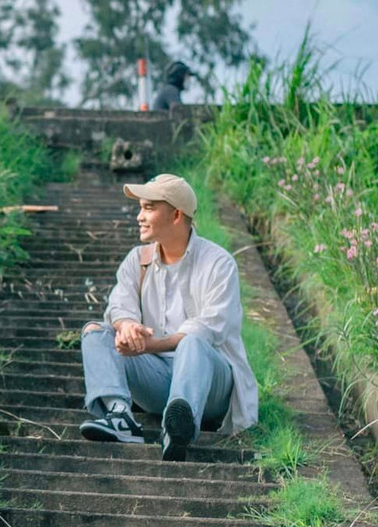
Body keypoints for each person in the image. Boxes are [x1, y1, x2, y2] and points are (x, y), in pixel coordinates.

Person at [78, 173, 259, 459]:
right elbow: (119, 306)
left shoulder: (219, 263)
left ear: (176, 215)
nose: (139, 216)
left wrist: (152, 345)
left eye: (149, 208)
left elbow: (208, 330)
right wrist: (127, 329)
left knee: (193, 343)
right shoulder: (137, 260)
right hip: (157, 379)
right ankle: (119, 414)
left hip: (210, 385)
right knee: (95, 332)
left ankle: (180, 427)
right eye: (140, 207)